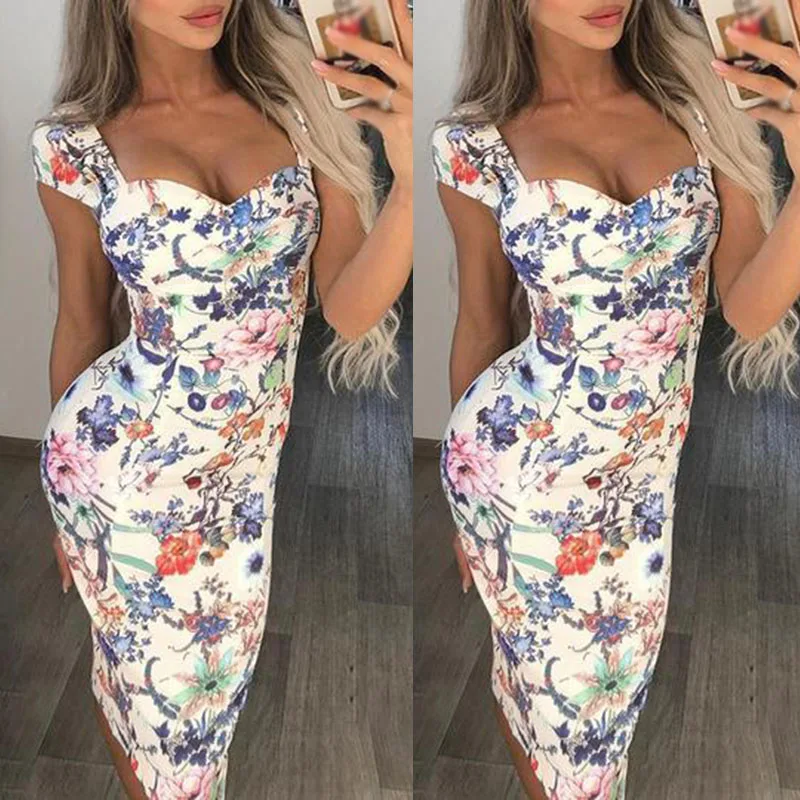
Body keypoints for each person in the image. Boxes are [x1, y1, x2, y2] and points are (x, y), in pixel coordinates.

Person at [30, 0, 412, 797]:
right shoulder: (73, 144)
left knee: (199, 703)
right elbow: (82, 318)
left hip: (239, 491)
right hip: (113, 473)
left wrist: (409, 187)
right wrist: (66, 503)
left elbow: (347, 312)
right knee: (162, 708)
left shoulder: (298, 105)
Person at [431, 1, 799, 798]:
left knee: (596, 706)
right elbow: (482, 320)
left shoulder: (701, 109)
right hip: (513, 474)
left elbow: (747, 310)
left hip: (639, 491)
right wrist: (467, 508)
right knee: (562, 707)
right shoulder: (474, 145)